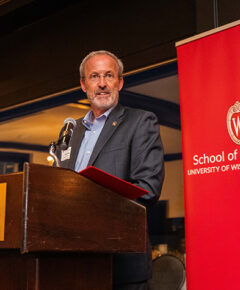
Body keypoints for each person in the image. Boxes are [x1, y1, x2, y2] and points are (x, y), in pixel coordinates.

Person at [57, 50, 165, 289]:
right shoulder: (71, 132)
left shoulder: (141, 122)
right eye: (94, 77)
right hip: (73, 266)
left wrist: (92, 200)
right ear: (84, 85)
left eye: (109, 76)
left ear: (121, 82)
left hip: (121, 268)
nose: (102, 84)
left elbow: (148, 190)